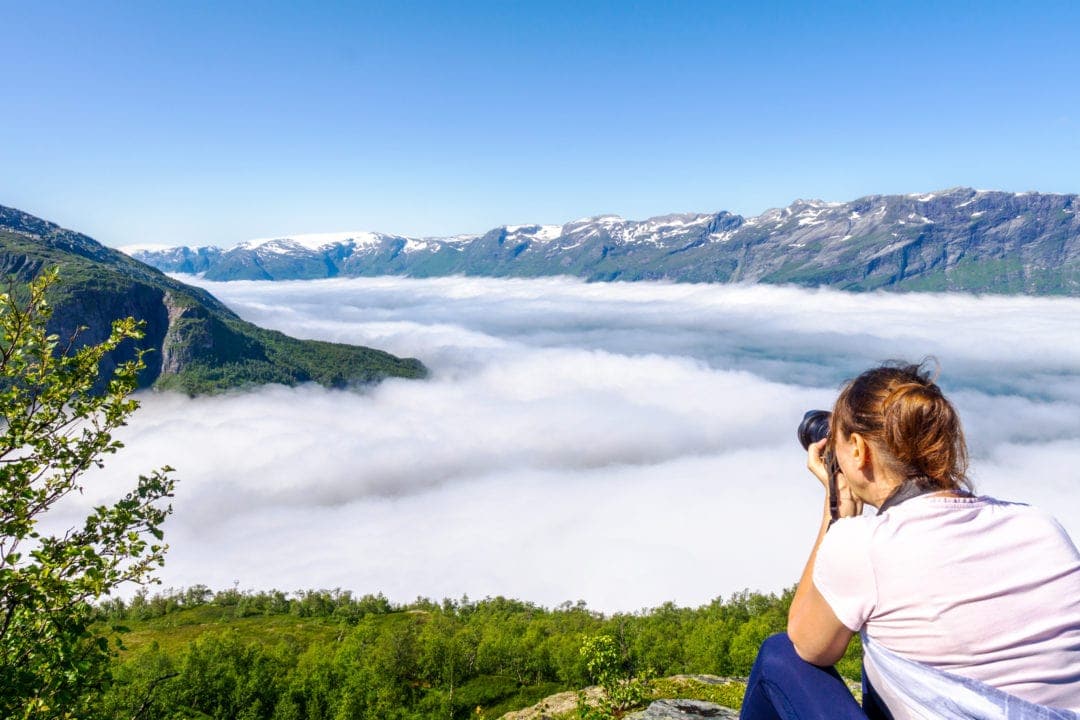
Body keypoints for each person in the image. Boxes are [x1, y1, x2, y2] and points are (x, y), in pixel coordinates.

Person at [739, 361, 1080, 720]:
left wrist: (837, 513)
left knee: (778, 655)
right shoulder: (1040, 525)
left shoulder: (863, 545)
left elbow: (809, 645)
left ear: (857, 449)